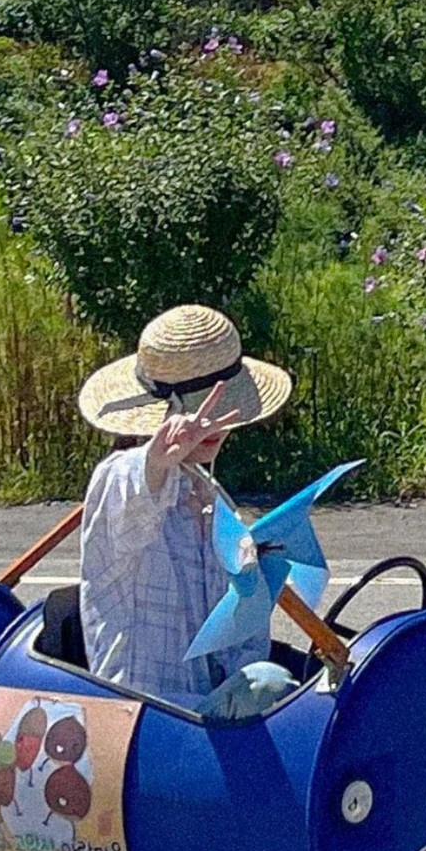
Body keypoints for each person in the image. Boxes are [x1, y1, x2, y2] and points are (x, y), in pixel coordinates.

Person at [73, 304, 301, 721]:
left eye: (226, 410)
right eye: (203, 411)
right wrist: (157, 460)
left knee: (303, 696)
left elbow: (239, 643)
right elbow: (135, 502)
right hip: (141, 719)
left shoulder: (214, 499)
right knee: (271, 683)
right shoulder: (119, 476)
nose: (217, 425)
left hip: (204, 719)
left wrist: (256, 579)